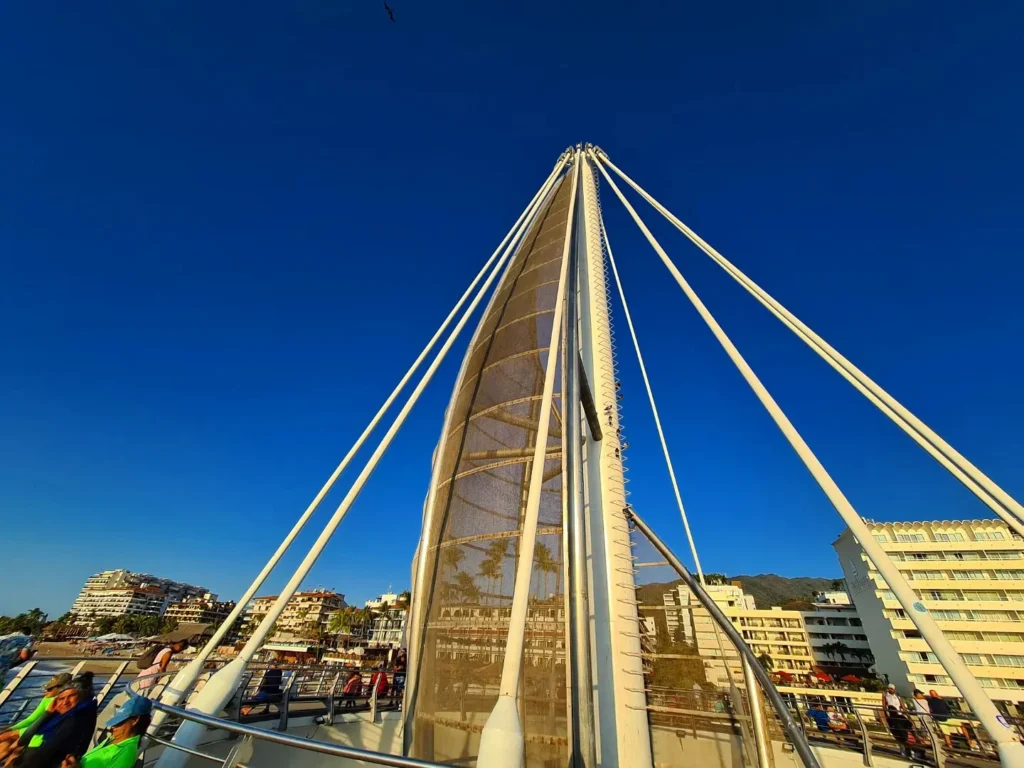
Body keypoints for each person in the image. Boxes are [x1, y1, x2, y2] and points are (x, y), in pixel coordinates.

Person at [8, 675, 97, 768]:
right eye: (61, 698)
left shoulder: (74, 718)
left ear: (81, 698)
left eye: (71, 696)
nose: (65, 702)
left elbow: (49, 749)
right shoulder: (63, 715)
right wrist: (48, 713)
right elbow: (27, 736)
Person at [59, 697, 152, 768]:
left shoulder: (125, 754)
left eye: (119, 721)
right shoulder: (115, 738)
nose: (113, 726)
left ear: (135, 720)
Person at [1, 674, 72, 741]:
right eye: (46, 688)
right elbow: (31, 719)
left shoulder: (66, 703)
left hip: (46, 732)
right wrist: (12, 728)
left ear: (61, 688)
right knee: (6, 742)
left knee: (6, 737)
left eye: (49, 689)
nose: (45, 691)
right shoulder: (46, 699)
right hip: (37, 729)